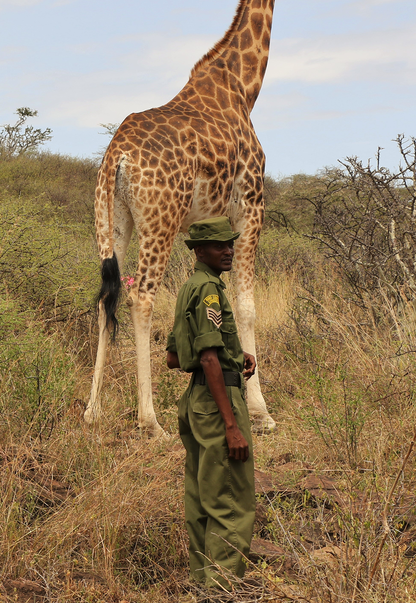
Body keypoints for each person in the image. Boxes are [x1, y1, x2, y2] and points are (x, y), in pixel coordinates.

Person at [165, 216, 257, 591]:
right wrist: (231, 425)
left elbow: (174, 358)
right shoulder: (209, 291)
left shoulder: (190, 287)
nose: (228, 251)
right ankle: (223, 593)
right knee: (230, 502)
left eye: (230, 244)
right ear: (199, 251)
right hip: (218, 403)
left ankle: (205, 587)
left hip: (197, 401)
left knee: (202, 499)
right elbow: (206, 358)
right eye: (220, 245)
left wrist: (236, 354)